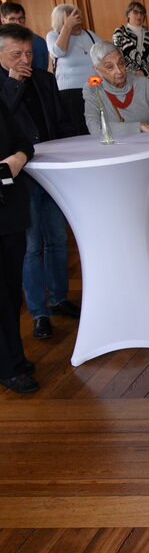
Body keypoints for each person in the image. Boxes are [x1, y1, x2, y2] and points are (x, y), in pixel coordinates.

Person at [0, 23, 80, 341]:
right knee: (32, 248)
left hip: (52, 171)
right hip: (20, 177)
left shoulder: (45, 79)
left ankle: (59, 298)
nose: (24, 59)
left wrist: (71, 153)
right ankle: (39, 312)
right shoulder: (3, 86)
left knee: (57, 239)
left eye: (29, 53)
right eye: (16, 54)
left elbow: (61, 122)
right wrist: (13, 84)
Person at [0, 98, 37, 393]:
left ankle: (12, 356)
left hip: (8, 212)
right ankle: (9, 367)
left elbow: (25, 140)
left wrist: (18, 158)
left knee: (12, 294)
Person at [83, 41, 149, 138]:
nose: (119, 71)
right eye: (110, 67)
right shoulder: (94, 89)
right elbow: (95, 128)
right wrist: (138, 126)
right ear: (97, 70)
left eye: (121, 63)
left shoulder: (143, 84)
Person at [46, 4, 100, 135]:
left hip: (95, 87)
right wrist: (67, 27)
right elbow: (59, 51)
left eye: (79, 18)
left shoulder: (89, 34)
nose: (79, 22)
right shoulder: (53, 35)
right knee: (79, 130)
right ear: (62, 22)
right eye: (74, 20)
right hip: (70, 93)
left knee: (97, 127)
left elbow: (104, 53)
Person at [112, 2, 149, 81]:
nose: (139, 15)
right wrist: (132, 72)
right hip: (128, 79)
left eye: (142, 13)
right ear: (128, 14)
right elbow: (116, 57)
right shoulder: (120, 33)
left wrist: (145, 72)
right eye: (135, 12)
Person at [0, 2, 49, 71]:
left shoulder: (38, 41)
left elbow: (42, 72)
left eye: (21, 18)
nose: (18, 22)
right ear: (3, 20)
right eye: (12, 19)